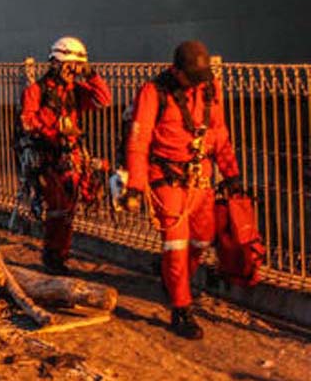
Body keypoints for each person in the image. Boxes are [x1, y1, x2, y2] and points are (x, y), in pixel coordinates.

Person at [124, 40, 241, 340]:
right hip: (167, 179)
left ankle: (175, 280)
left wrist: (231, 173)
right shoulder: (153, 93)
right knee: (175, 245)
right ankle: (180, 307)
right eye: (192, 78)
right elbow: (139, 141)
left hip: (200, 178)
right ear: (176, 72)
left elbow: (219, 132)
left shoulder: (209, 88)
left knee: (201, 239)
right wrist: (136, 186)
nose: (196, 84)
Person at [18, 36, 111, 275]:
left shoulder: (75, 91)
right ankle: (52, 255)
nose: (73, 72)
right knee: (58, 207)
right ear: (57, 63)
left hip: (71, 155)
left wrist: (90, 74)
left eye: (76, 67)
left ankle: (60, 254)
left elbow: (103, 99)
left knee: (69, 209)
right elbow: (27, 123)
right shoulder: (36, 91)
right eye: (70, 66)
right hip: (48, 155)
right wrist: (54, 122)